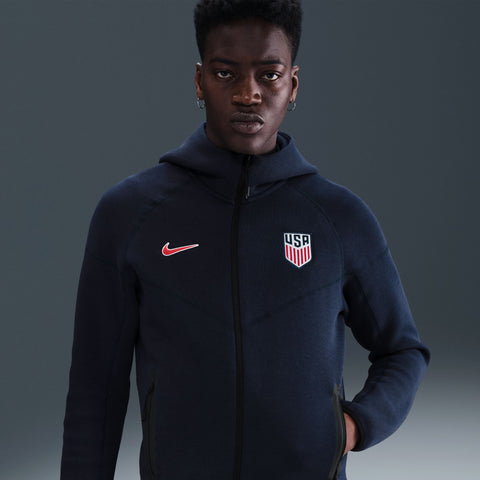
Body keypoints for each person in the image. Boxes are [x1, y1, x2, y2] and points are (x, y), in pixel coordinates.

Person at [60, 1, 430, 479]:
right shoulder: (131, 213)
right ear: (199, 81)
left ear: (292, 85)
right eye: (225, 73)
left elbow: (402, 351)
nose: (248, 94)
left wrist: (354, 427)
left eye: (269, 75)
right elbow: (95, 388)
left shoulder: (339, 218)